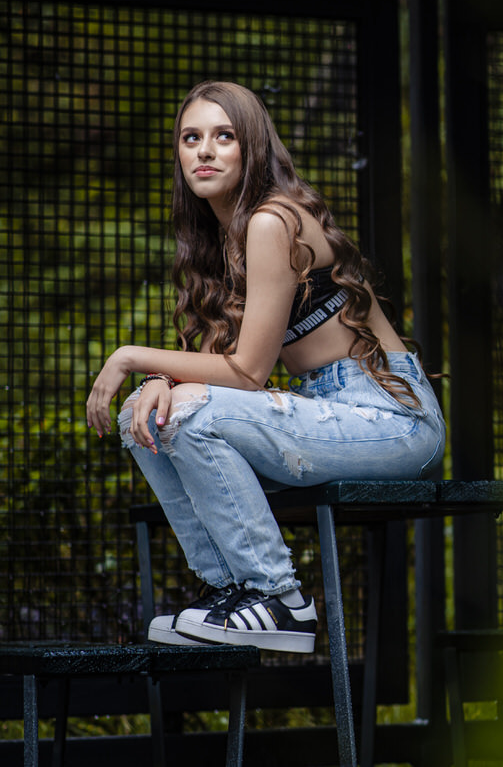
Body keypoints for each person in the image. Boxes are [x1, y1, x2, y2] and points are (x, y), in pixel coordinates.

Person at [85, 80, 445, 653]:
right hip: (329, 411)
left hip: (394, 421)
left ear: (251, 148)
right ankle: (228, 588)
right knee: (146, 415)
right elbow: (216, 361)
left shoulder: (271, 221)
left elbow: (248, 372)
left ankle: (280, 599)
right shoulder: (223, 236)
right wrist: (158, 381)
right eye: (191, 138)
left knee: (188, 413)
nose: (204, 151)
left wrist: (131, 357)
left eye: (223, 137)